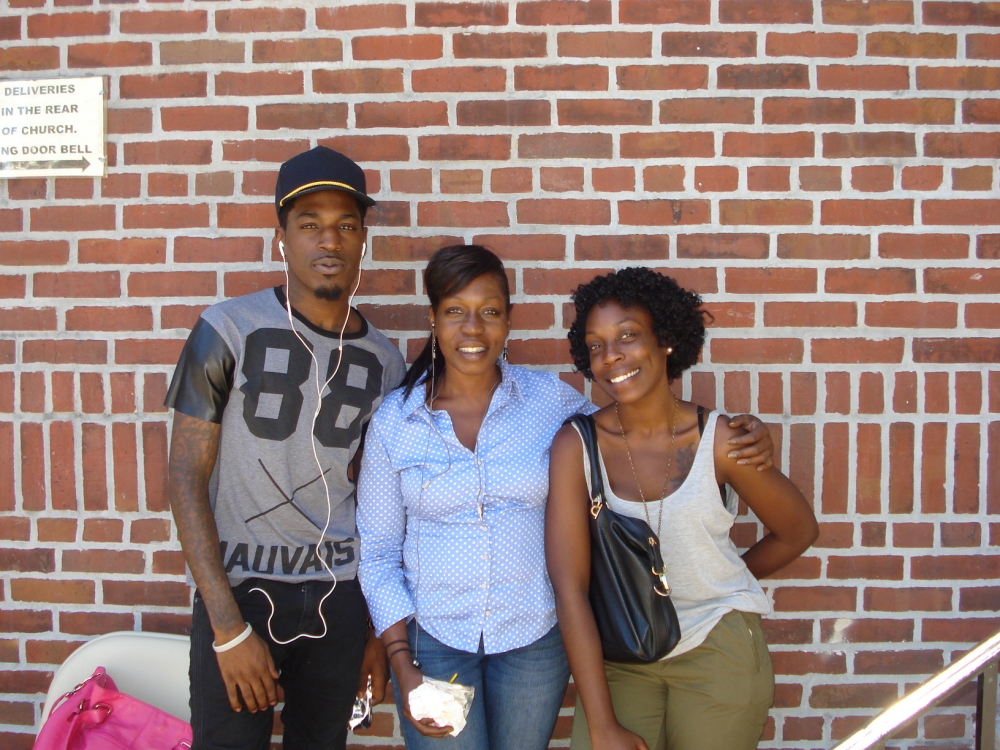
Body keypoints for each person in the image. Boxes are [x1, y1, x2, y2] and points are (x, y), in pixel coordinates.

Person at [356, 246, 776, 750]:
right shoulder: (396, 422)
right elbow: (378, 555)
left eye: (490, 312)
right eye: (454, 312)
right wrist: (399, 659)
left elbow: (629, 430)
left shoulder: (550, 403)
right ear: (433, 318)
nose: (473, 329)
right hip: (435, 640)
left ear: (508, 320)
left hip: (533, 641)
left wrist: (740, 435)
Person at [165, 146, 406, 750]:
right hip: (242, 592)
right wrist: (226, 628)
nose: (329, 240)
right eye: (309, 224)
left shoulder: (385, 360)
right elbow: (184, 478)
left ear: (363, 240)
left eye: (346, 225)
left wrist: (374, 633)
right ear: (281, 238)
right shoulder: (224, 329)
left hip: (339, 598)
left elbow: (384, 505)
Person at [546, 267, 819, 750]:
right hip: (623, 653)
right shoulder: (576, 446)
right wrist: (602, 724)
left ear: (666, 340)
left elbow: (798, 531)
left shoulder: (721, 440)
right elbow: (570, 590)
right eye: (596, 345)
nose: (611, 356)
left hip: (718, 650)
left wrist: (719, 585)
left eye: (628, 336)